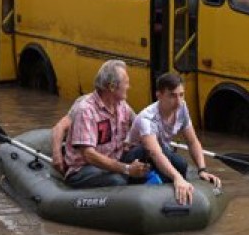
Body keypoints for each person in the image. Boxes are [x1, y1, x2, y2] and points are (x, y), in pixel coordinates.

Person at [123, 73, 221, 205]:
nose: (179, 101)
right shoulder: (147, 118)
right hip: (136, 156)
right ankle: (146, 185)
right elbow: (155, 152)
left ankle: (162, 183)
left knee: (180, 164)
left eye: (181, 95)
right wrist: (177, 178)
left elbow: (192, 141)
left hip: (160, 152)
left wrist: (202, 170)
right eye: (172, 95)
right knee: (175, 161)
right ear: (159, 95)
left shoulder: (182, 108)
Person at [63, 60, 149, 188]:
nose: (128, 87)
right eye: (126, 83)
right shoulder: (86, 110)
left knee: (147, 150)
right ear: (112, 87)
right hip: (84, 168)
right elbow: (89, 155)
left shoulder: (122, 106)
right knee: (117, 181)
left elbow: (140, 127)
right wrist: (126, 168)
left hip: (113, 159)